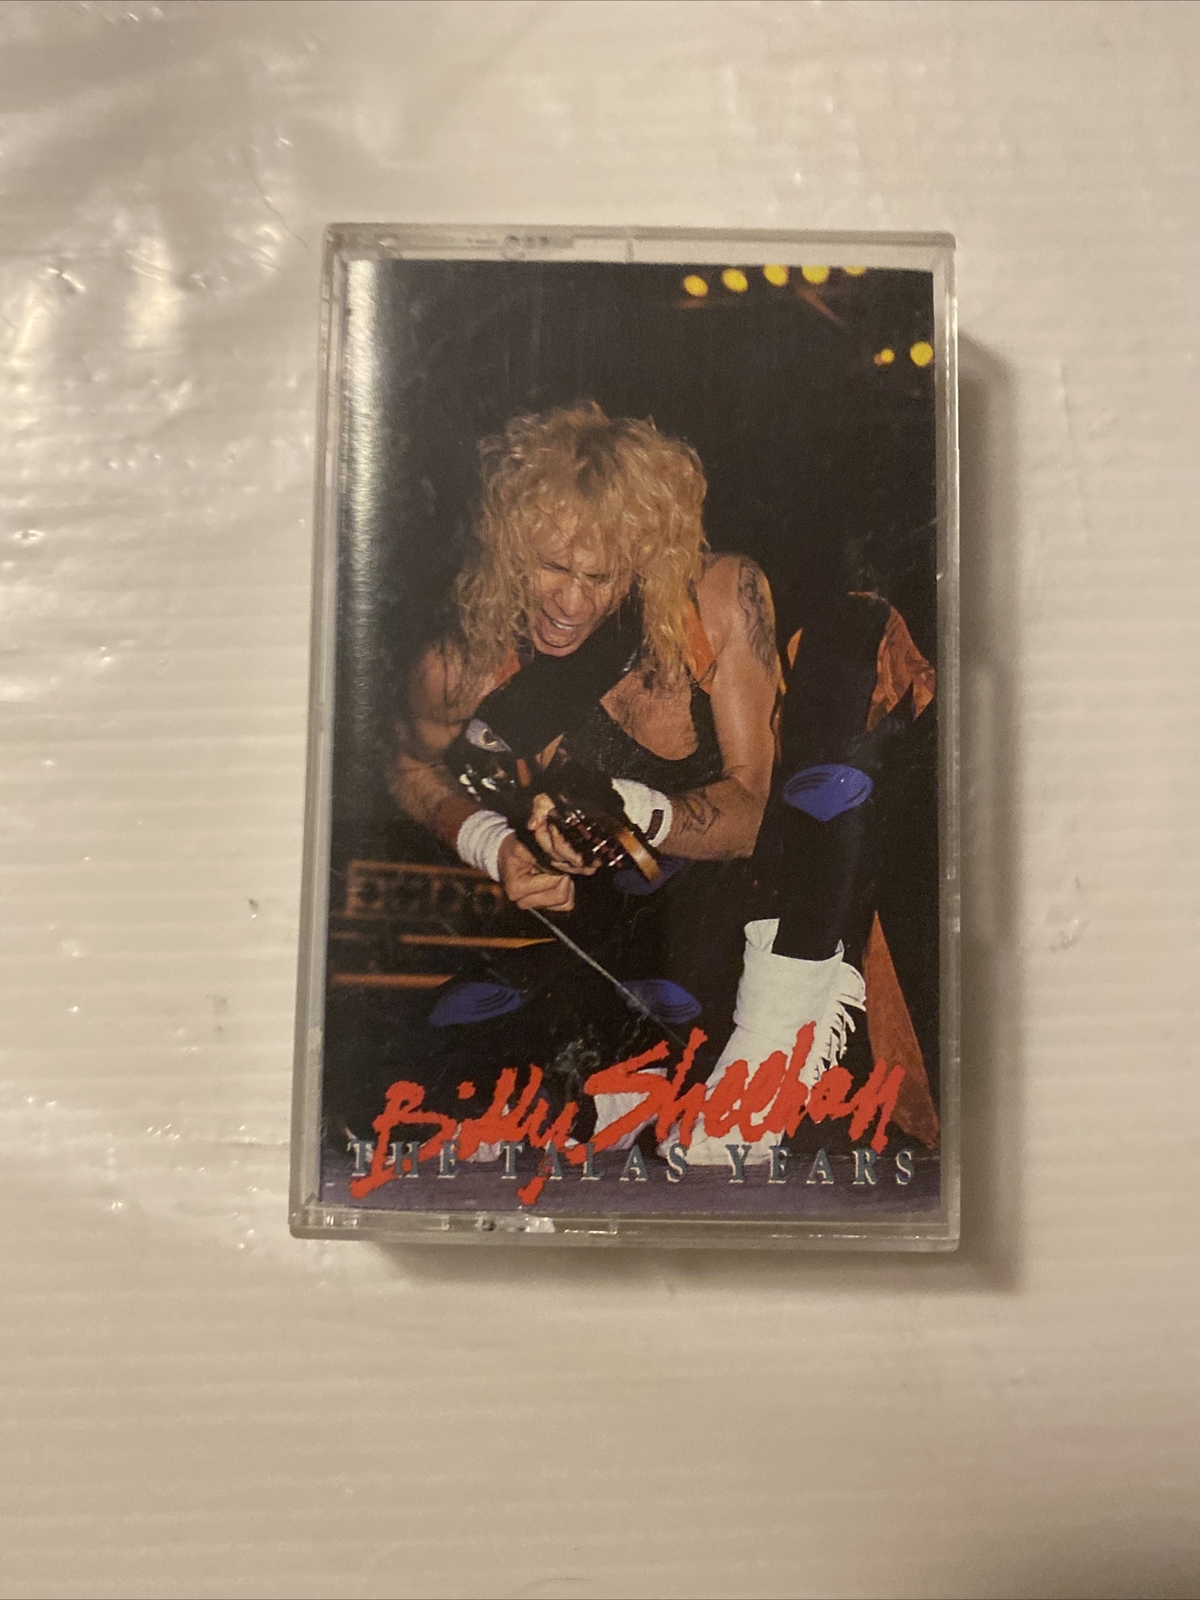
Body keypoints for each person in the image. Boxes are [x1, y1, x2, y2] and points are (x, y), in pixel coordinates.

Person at [387, 402, 782, 1132]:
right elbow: (408, 768)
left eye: (601, 577)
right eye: (551, 567)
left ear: (643, 557)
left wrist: (636, 813)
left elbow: (757, 815)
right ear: (510, 545)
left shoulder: (718, 600)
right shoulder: (466, 663)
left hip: (748, 925)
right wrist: (496, 846)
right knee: (424, 1078)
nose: (571, 602)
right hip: (609, 942)